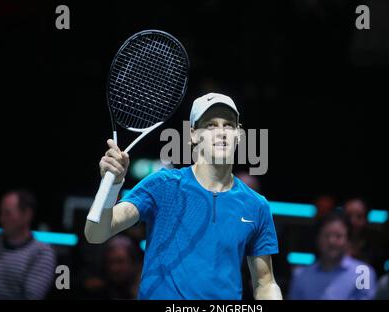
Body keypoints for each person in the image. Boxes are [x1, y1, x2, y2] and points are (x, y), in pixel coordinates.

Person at [85, 92, 282, 300]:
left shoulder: (256, 205)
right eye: (211, 125)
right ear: (193, 135)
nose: (221, 132)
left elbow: (265, 283)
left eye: (229, 125)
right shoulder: (163, 186)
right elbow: (96, 233)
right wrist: (112, 186)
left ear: (239, 135)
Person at [287, 211, 377, 300]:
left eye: (338, 236)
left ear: (348, 240)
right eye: (326, 236)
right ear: (317, 239)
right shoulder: (301, 275)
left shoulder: (363, 273)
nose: (331, 241)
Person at [0, 190, 56, 299]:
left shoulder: (42, 254)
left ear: (27, 215)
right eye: (1, 213)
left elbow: (31, 296)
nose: (1, 219)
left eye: (8, 213)